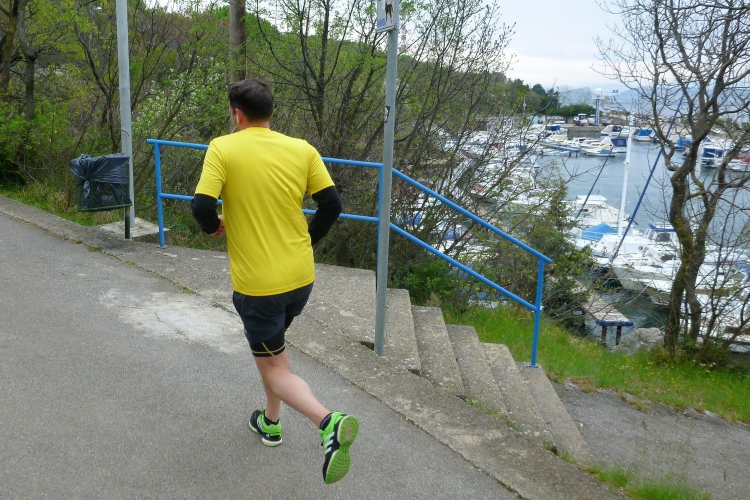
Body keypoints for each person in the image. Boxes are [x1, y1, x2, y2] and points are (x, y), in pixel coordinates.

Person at [191, 78, 357, 485]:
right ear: (271, 112)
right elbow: (332, 204)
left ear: (237, 115)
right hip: (300, 277)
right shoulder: (302, 149)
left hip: (260, 286)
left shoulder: (222, 148)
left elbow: (201, 206)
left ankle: (328, 422)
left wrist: (214, 227)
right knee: (272, 354)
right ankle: (270, 421)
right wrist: (308, 241)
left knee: (276, 366)